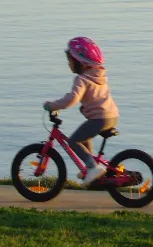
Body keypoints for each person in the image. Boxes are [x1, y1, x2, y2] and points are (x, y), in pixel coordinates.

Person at [44, 36, 120, 185]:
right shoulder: (98, 76)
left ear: (82, 63)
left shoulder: (82, 79)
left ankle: (92, 167)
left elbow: (72, 99)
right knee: (84, 138)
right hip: (112, 116)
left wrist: (52, 105)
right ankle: (91, 166)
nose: (68, 64)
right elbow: (75, 95)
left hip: (99, 119)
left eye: (70, 61)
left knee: (73, 141)